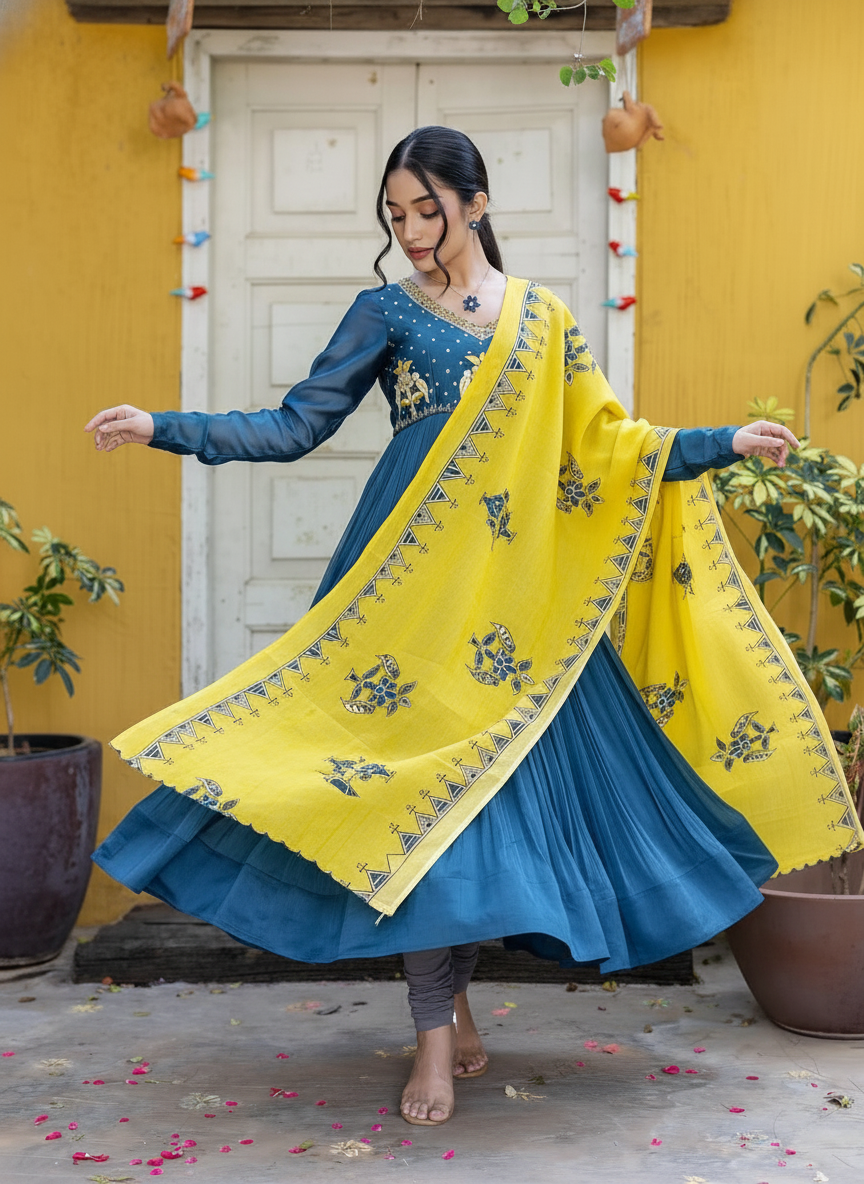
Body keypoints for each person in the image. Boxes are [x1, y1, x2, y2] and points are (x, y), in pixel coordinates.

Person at [86, 126, 821, 1129]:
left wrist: (721, 441)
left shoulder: (543, 321)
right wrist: (163, 427)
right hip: (410, 593)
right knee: (409, 803)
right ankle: (436, 1033)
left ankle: (451, 1007)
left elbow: (609, 445)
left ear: (475, 203)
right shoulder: (384, 311)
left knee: (476, 815)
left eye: (426, 209)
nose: (411, 229)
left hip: (517, 609)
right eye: (395, 214)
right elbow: (295, 425)